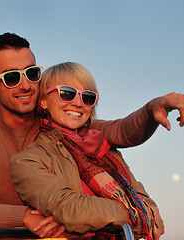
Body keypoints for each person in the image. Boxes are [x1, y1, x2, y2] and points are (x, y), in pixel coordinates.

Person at [0, 33, 184, 238]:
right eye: (11, 78)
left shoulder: (58, 123)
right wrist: (22, 217)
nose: (25, 85)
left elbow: (120, 131)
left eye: (32, 73)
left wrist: (152, 108)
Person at [10, 62, 161, 240]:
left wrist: (138, 215)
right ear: (43, 101)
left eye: (87, 97)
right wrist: (138, 214)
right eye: (67, 93)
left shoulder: (107, 151)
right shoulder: (28, 160)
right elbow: (70, 210)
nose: (78, 103)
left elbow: (149, 207)